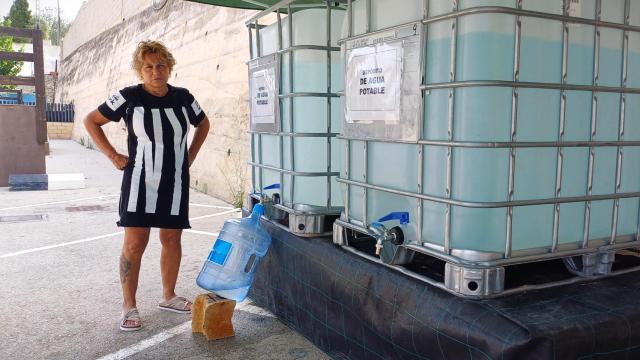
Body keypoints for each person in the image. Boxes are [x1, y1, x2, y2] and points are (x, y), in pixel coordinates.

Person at [84, 40, 210, 331]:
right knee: (135, 242)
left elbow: (203, 124)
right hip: (139, 181)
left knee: (171, 240)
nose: (156, 72)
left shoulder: (183, 97)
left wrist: (190, 156)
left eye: (161, 65)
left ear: (170, 67)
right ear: (140, 71)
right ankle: (129, 305)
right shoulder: (129, 97)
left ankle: (169, 295)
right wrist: (113, 155)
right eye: (149, 67)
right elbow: (91, 121)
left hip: (175, 182)